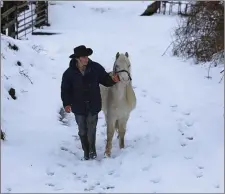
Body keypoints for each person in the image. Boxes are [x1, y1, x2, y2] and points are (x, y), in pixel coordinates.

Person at [61, 45, 120, 160]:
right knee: (82, 130)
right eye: (84, 57)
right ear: (77, 59)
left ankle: (92, 151)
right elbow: (65, 90)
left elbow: (104, 79)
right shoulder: (69, 73)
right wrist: (66, 103)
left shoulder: (95, 68)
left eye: (87, 56)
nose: (86, 59)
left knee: (91, 129)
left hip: (93, 104)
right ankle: (86, 150)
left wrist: (112, 80)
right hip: (78, 106)